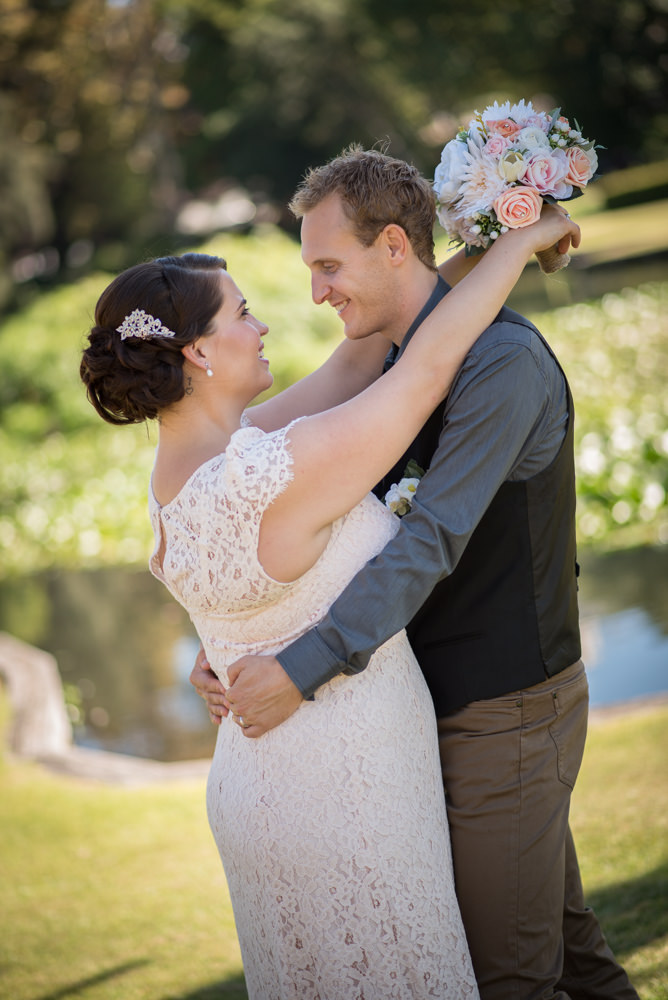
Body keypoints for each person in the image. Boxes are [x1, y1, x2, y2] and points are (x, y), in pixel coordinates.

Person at [80, 162, 578, 999]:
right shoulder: (284, 465)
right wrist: (524, 239)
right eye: (244, 313)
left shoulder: (188, 473)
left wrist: (451, 256)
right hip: (349, 788)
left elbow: (371, 347)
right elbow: (416, 373)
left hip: (256, 786)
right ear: (199, 350)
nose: (269, 319)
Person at [191, 148, 639, 1000]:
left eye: (329, 265)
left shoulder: (502, 366)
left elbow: (428, 540)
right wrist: (227, 643)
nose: (316, 292)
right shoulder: (389, 361)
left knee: (511, 978)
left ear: (394, 246)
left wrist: (299, 669)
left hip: (507, 711)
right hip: (425, 706)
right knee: (571, 955)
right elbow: (268, 506)